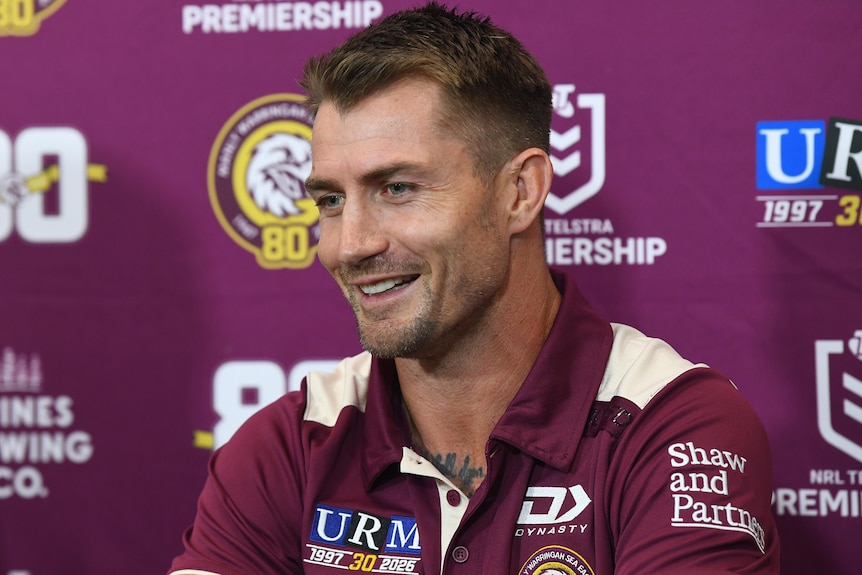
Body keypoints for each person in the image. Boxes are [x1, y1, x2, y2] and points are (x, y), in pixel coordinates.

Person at [169, 3, 780, 573]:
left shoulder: (672, 428)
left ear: (520, 191)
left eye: (397, 188)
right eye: (330, 200)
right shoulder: (290, 447)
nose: (349, 244)